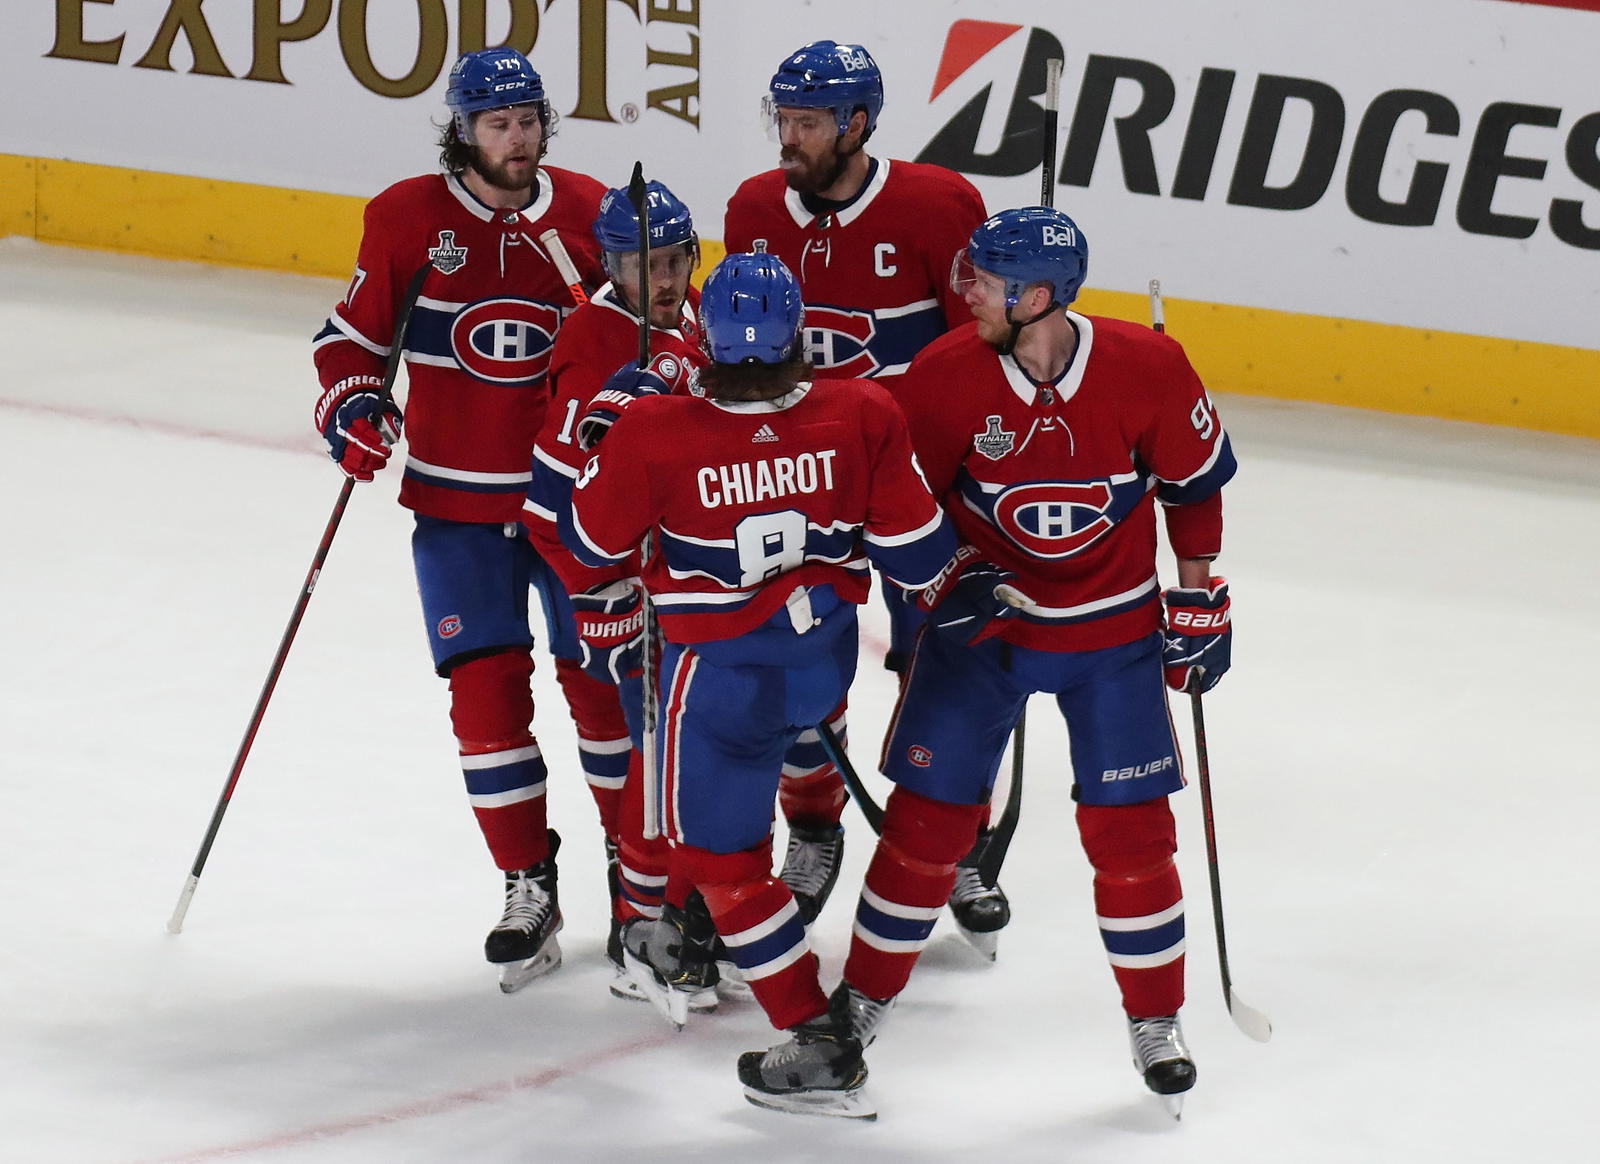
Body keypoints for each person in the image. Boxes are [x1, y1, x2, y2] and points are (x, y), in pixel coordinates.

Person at [558, 253, 1013, 1118]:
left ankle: (814, 1031)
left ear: (709, 344)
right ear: (799, 330)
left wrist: (604, 426)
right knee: (784, 768)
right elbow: (919, 554)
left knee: (718, 860)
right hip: (821, 667)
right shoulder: (863, 410)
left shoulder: (657, 428)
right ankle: (792, 865)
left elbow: (587, 539)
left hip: (724, 682)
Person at [829, 206, 1238, 1116]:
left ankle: (1155, 1019)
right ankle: (858, 1003)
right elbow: (897, 504)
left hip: (1113, 639)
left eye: (983, 277)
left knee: (1133, 836)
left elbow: (1191, 484)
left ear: (1039, 295)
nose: (961, 289)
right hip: (985, 636)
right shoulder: (941, 377)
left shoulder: (1149, 367)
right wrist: (945, 575)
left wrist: (1199, 591)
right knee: (927, 825)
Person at [310, 48, 607, 993]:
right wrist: (353, 407)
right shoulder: (408, 218)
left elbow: (660, 335)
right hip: (455, 506)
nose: (517, 140)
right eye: (497, 124)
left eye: (528, 122)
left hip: (578, 512)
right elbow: (350, 342)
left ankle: (644, 893)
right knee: (484, 707)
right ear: (463, 130)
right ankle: (529, 883)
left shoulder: (593, 212)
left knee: (604, 703)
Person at [723, 39, 1011, 951]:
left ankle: (956, 838)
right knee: (798, 663)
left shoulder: (938, 205)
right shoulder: (755, 209)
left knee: (953, 662)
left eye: (806, 121)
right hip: (804, 488)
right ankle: (813, 826)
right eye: (783, 119)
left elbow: (984, 343)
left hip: (923, 486)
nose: (788, 138)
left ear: (857, 124)